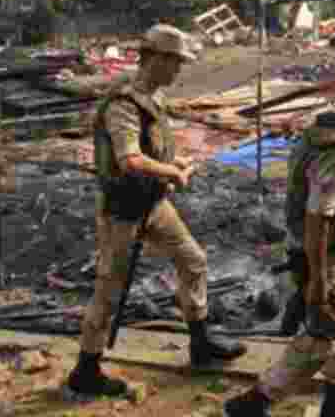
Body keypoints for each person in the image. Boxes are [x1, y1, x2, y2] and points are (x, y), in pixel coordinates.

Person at [66, 24, 246, 398]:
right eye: (175, 62)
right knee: (109, 293)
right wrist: (173, 172)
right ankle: (86, 369)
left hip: (152, 203)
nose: (179, 69)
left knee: (193, 261)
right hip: (122, 211)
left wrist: (174, 160)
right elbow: (129, 159)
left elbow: (153, 149)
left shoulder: (153, 98)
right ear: (157, 59)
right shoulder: (123, 105)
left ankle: (200, 342)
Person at [223, 82, 335, 417]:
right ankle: (255, 402)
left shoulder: (323, 135)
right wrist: (318, 280)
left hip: (329, 255)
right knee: (322, 335)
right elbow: (319, 216)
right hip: (319, 256)